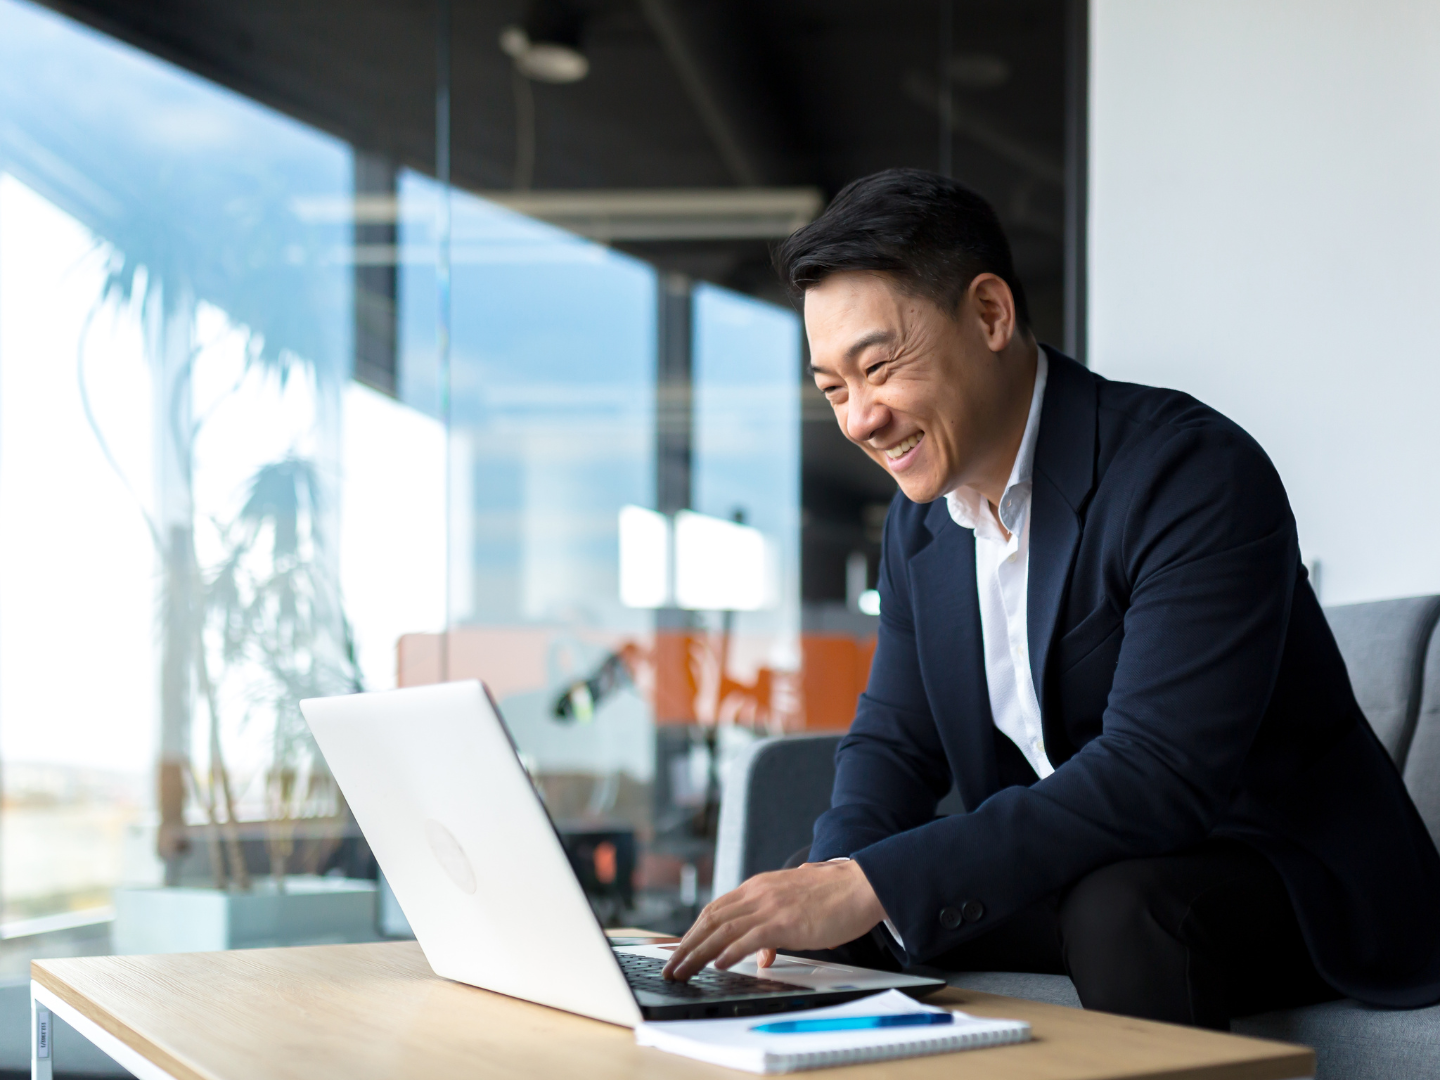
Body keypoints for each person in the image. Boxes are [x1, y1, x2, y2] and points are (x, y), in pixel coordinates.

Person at [662, 168, 1440, 1028]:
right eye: (834, 389)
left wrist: (876, 882)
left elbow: (1156, 778)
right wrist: (834, 882)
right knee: (808, 904)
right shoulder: (921, 527)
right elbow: (894, 744)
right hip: (1093, 865)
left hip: (1281, 873)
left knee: (1116, 911)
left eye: (879, 368)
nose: (859, 421)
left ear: (990, 315)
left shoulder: (1191, 475)